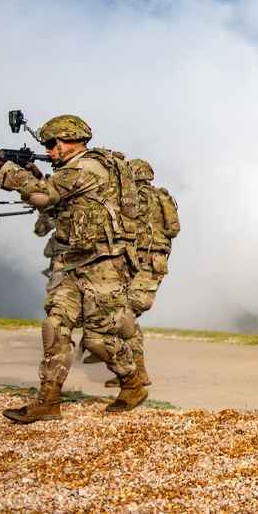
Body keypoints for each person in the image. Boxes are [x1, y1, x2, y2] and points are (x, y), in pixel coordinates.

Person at [0, 115, 147, 422]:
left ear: (71, 140)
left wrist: (5, 167)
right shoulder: (74, 170)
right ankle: (48, 400)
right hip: (70, 261)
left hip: (102, 264)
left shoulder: (87, 167)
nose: (51, 151)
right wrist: (29, 170)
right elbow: (54, 202)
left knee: (98, 339)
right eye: (47, 146)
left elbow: (44, 194)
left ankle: (132, 384)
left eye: (53, 145)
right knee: (55, 325)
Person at [98, 159, 180, 389]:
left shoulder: (135, 198)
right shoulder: (163, 197)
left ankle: (135, 372)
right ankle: (132, 371)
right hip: (151, 262)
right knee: (124, 315)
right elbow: (174, 229)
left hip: (141, 262)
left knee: (125, 314)